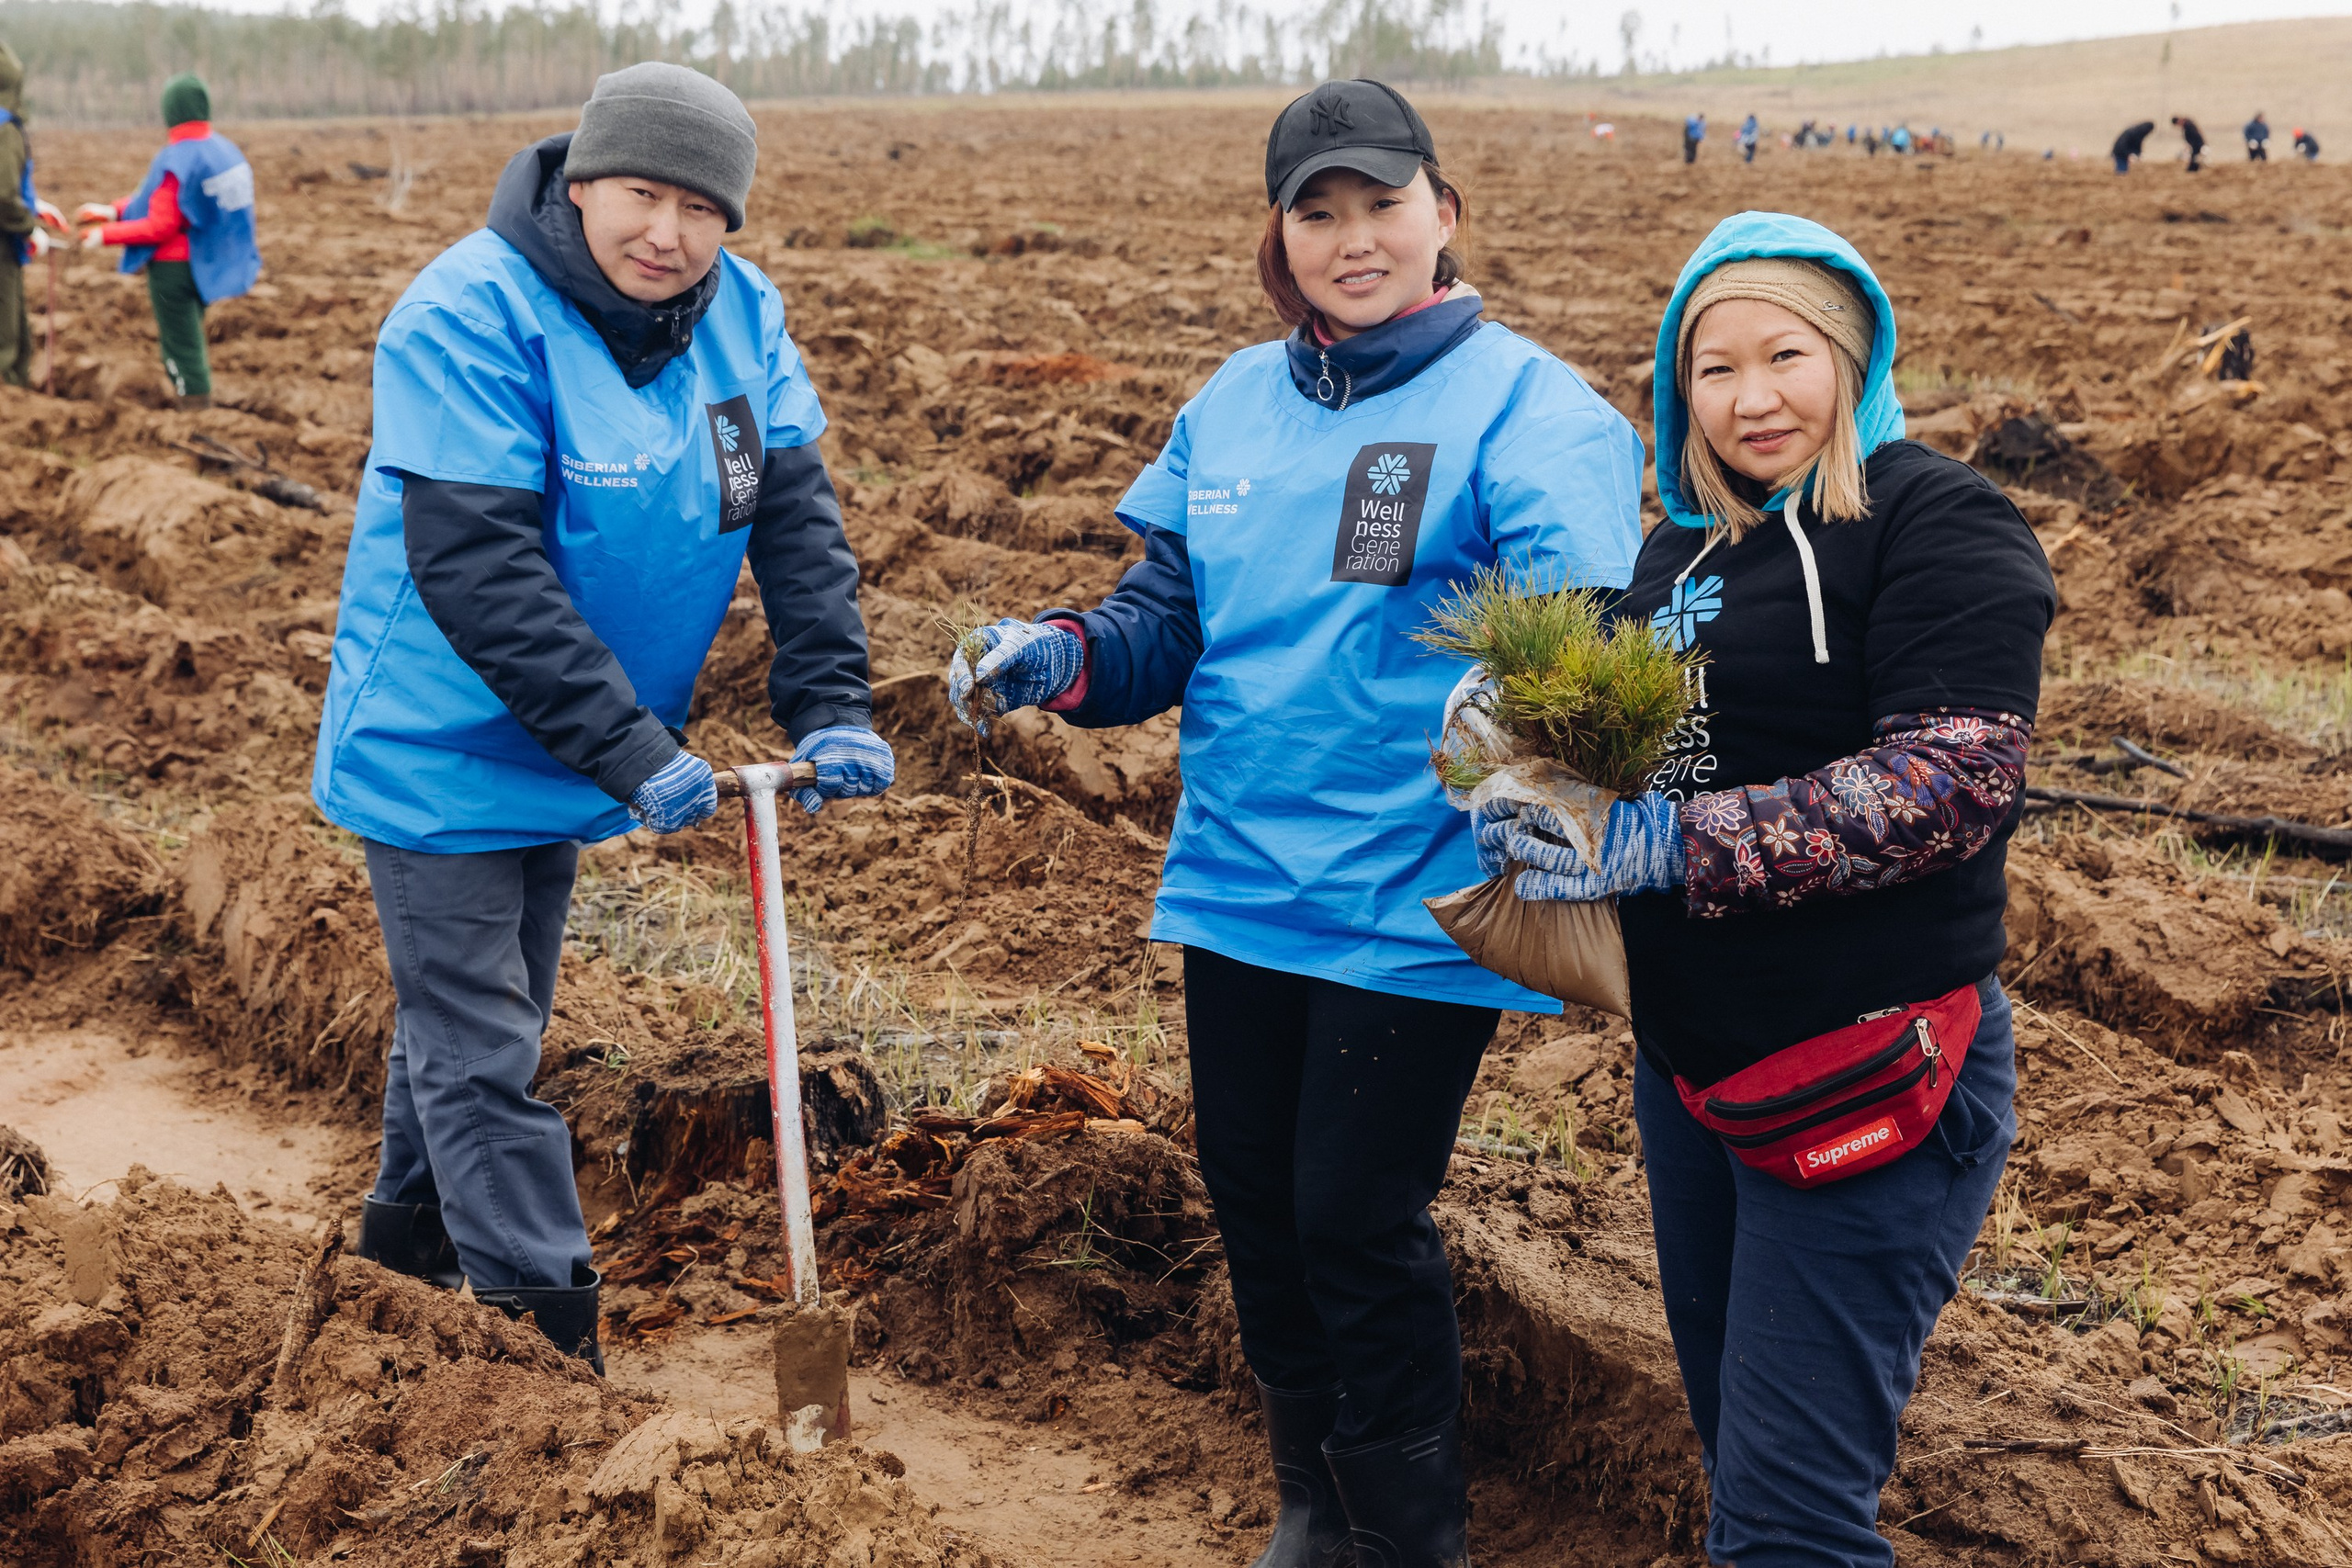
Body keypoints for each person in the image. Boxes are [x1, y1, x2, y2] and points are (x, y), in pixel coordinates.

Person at [945, 77, 1643, 1568]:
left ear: (1442, 214)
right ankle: (1317, 1500)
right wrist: (1065, 654)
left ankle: (1412, 1534)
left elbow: (1579, 643)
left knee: (1351, 1212)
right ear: (1279, 238)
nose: (1352, 238)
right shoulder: (1233, 407)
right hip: (1241, 878)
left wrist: (1532, 755)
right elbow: (1164, 619)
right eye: (1316, 212)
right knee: (1256, 1201)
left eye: (1380, 203)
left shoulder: (1530, 407)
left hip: (1416, 893)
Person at [1472, 211, 2054, 1567]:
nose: (1750, 397)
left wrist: (1667, 844)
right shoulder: (1683, 556)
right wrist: (1513, 737)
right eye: (1711, 370)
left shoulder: (1936, 518)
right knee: (1749, 1473)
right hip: (1702, 1076)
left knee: (1789, 1523)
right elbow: (1631, 741)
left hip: (1876, 1064)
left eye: (1783, 354)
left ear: (1849, 353)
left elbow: (1951, 783)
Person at [311, 62, 893, 1372]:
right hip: (442, 740)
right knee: (481, 1032)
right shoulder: (469, 311)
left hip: (573, 741)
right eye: (642, 194)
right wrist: (634, 747)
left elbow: (793, 520)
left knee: (475, 1012)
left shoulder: (740, 319)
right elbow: (477, 567)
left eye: (701, 207)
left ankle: (398, 1250)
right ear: (583, 183)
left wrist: (833, 697)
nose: (666, 233)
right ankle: (546, 1342)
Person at [72, 74, 256, 409]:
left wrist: (103, 236)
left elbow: (161, 224)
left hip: (175, 270)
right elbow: (159, 201)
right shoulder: (223, 149)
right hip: (206, 261)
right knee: (191, 339)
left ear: (170, 110)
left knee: (181, 347)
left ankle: (195, 410)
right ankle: (196, 402)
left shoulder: (177, 157)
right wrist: (111, 211)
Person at [0, 44, 66, 390]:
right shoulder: (5, 128)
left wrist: (35, 205)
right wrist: (29, 228)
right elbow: (2, 195)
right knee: (6, 337)